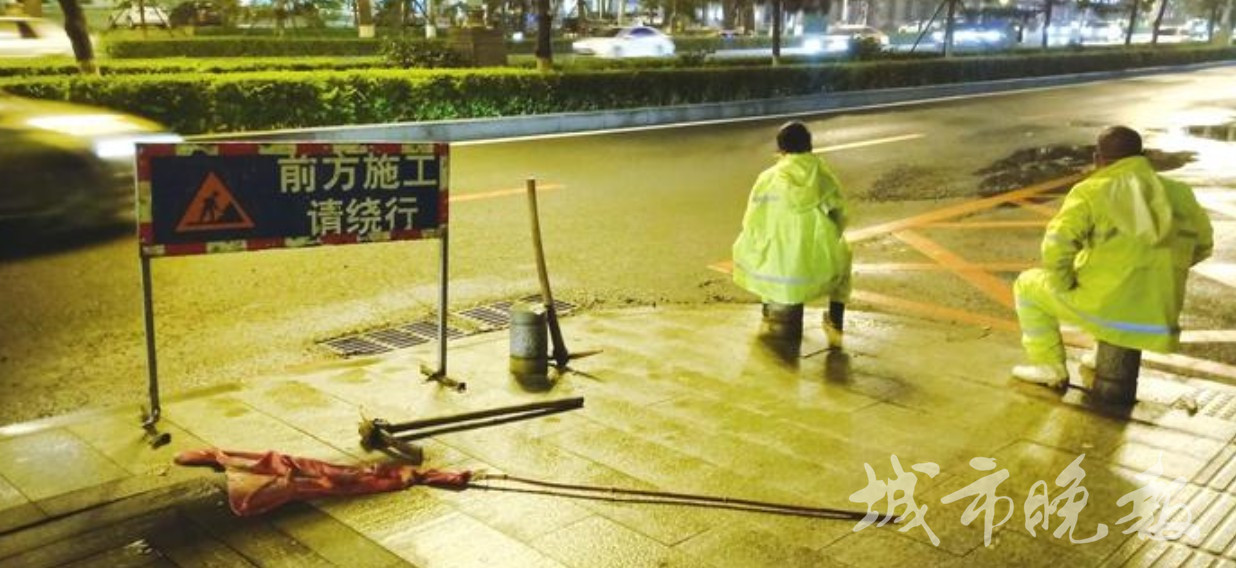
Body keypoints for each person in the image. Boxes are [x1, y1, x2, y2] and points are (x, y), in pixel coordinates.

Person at [1012, 126, 1213, 387]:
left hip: (1106, 309)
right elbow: (1203, 245)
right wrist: (1164, 270)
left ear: (1098, 159)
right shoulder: (1180, 193)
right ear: (1143, 156)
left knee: (1027, 286)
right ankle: (1101, 355)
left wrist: (1063, 284)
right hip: (1157, 316)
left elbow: (1056, 248)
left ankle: (1049, 367)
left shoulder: (1090, 191)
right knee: (1105, 274)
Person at [732, 121, 853, 348]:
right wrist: (830, 237)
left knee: (766, 258)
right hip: (816, 258)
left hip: (779, 261)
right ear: (809, 145)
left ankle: (768, 311)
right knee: (843, 257)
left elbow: (752, 220)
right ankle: (835, 317)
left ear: (781, 148)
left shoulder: (768, 178)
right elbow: (840, 214)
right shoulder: (823, 176)